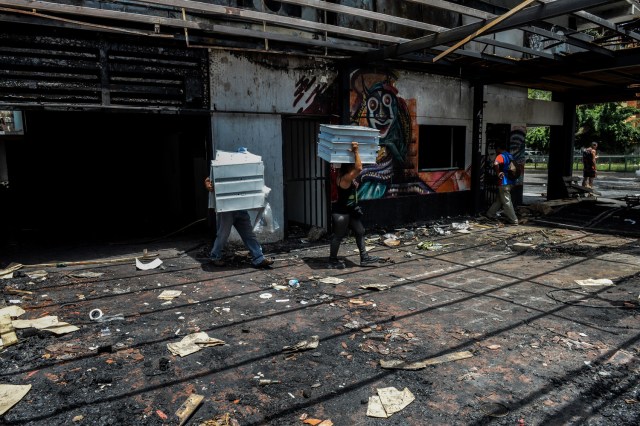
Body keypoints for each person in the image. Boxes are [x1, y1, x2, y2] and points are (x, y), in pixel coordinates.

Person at [329, 141, 381, 267]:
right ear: (348, 167)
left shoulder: (347, 178)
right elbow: (359, 168)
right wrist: (356, 151)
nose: (354, 166)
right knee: (338, 236)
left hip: (350, 211)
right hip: (341, 213)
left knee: (360, 231)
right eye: (351, 164)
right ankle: (332, 260)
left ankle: (364, 258)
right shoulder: (345, 178)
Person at [204, 177, 274, 268]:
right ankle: (215, 256)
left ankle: (258, 258)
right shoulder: (221, 165)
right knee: (223, 235)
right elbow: (209, 178)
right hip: (226, 208)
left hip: (241, 207)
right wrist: (207, 183)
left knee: (249, 235)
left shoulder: (243, 165)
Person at [485, 143, 519, 225]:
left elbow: (496, 163)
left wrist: (498, 173)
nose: (496, 151)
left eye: (496, 149)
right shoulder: (510, 155)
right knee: (499, 200)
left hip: (503, 182)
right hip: (511, 182)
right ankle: (490, 214)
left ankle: (513, 220)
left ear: (499, 148)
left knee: (507, 201)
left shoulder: (501, 156)